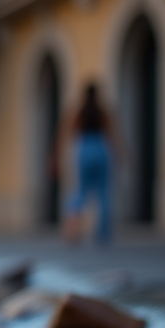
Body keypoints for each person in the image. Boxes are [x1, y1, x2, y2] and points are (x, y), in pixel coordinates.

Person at [54, 83, 125, 245]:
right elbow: (113, 134)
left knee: (79, 191)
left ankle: (72, 231)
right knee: (104, 193)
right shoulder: (103, 112)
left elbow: (66, 133)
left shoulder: (79, 112)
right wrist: (120, 155)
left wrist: (57, 156)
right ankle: (103, 234)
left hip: (84, 148)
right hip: (102, 148)